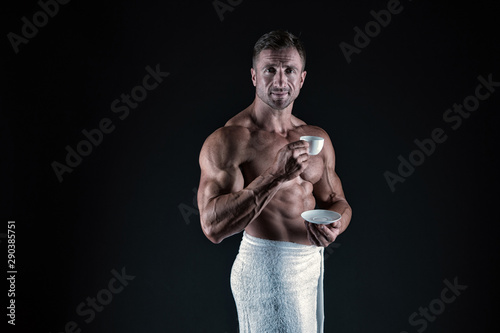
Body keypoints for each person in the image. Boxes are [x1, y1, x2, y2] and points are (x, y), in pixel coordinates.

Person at [197, 30, 352, 333]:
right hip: (266, 268)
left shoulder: (316, 137)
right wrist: (276, 175)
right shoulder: (230, 140)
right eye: (270, 70)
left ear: (302, 78)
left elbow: (337, 201)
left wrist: (337, 225)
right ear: (254, 76)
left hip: (311, 265)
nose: (280, 81)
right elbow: (212, 226)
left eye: (289, 70)